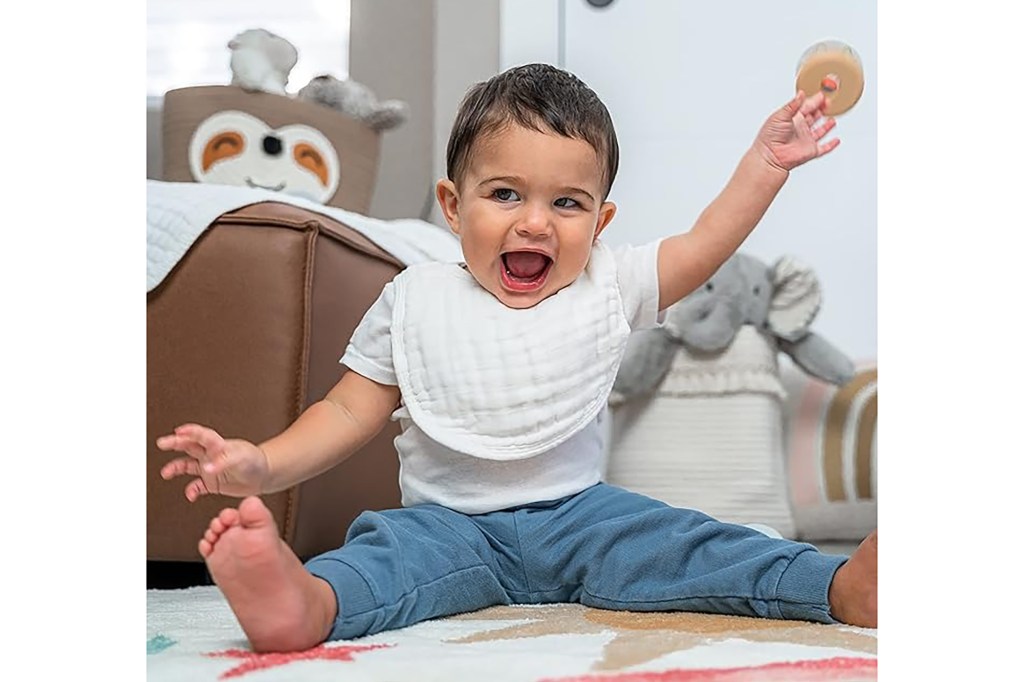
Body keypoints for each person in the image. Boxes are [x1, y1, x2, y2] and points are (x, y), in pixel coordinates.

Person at [157, 62, 877, 653]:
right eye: (504, 194)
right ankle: (306, 604)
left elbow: (702, 243)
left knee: (686, 543)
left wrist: (765, 164)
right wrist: (263, 464)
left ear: (600, 223)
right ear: (452, 205)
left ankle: (835, 586)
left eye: (567, 204)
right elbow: (347, 409)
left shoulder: (608, 283)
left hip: (583, 520)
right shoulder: (413, 299)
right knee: (381, 554)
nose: (534, 221)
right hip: (446, 525)